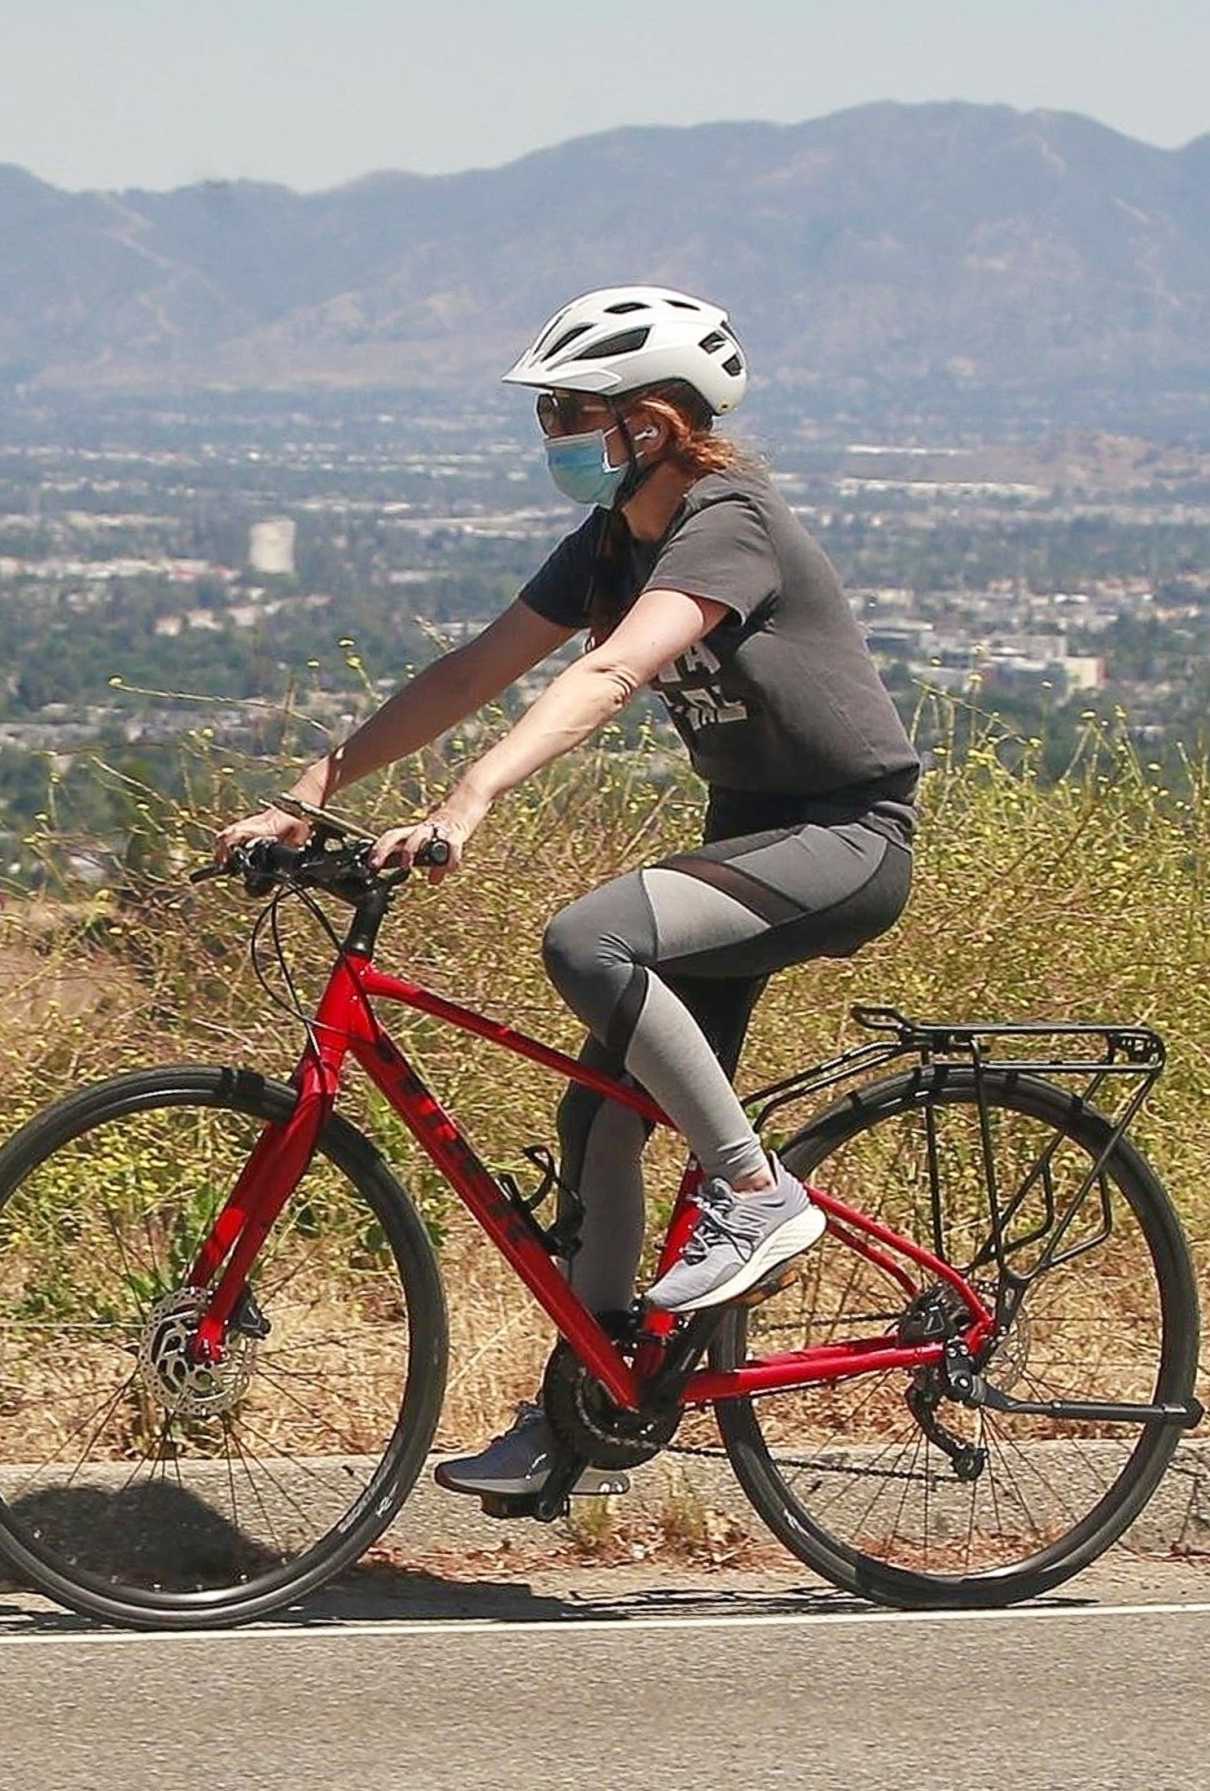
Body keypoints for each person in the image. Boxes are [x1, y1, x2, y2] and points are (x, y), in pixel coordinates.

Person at [215, 285, 919, 1500]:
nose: (551, 434)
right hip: (747, 838)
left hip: (842, 839)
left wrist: (468, 801)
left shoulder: (726, 522)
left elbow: (610, 672)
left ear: (651, 421)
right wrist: (310, 788)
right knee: (600, 1115)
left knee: (589, 939)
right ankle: (589, 1405)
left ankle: (756, 1195)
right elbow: (479, 666)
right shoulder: (609, 537)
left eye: (568, 411)